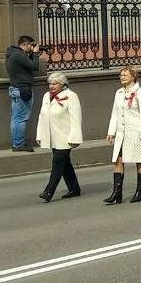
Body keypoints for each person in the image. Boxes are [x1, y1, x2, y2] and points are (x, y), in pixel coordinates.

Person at [103, 66, 141, 204]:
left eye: (125, 74)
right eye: (121, 75)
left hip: (136, 133)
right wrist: (111, 131)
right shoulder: (119, 93)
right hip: (122, 134)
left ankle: (140, 192)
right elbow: (115, 113)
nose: (122, 77)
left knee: (140, 161)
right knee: (118, 160)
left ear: (133, 77)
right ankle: (116, 193)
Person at [36, 71, 83, 203]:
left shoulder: (71, 96)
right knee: (65, 164)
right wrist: (40, 135)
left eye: (54, 83)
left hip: (65, 137)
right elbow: (42, 116)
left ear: (62, 84)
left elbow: (76, 118)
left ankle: (49, 191)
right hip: (52, 137)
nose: (51, 86)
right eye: (50, 83)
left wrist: (75, 138)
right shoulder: (46, 96)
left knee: (57, 162)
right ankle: (74, 188)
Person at [6, 35, 41, 152]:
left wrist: (31, 55)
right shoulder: (18, 55)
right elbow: (34, 66)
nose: (32, 47)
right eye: (31, 45)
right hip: (22, 89)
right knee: (21, 118)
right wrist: (35, 54)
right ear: (25, 44)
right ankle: (18, 144)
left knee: (16, 118)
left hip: (16, 88)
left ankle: (17, 142)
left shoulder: (13, 54)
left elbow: (26, 66)